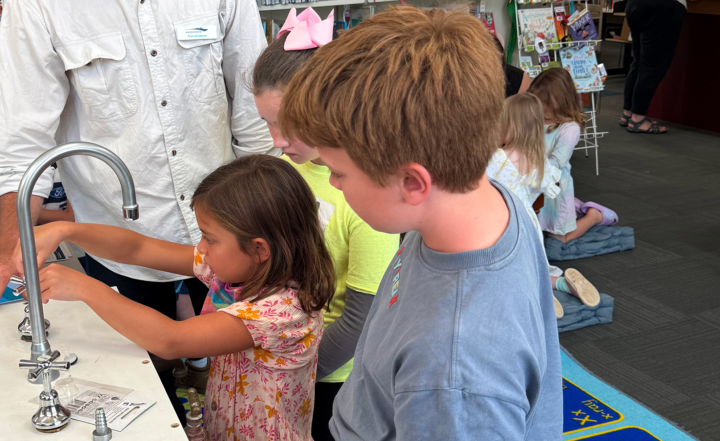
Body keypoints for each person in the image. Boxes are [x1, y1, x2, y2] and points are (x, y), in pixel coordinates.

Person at [279, 6, 563, 439]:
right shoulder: (478, 202)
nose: (333, 183)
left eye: (338, 172)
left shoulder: (452, 371)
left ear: (413, 182)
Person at [0, 0, 275, 420]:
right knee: (147, 382)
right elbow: (23, 147)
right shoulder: (38, 7)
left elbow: (254, 115)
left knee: (225, 367)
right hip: (123, 223)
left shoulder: (276, 296)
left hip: (233, 231)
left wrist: (85, 288)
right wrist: (47, 236)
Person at [14, 155, 335, 441]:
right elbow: (138, 249)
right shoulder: (242, 271)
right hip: (224, 424)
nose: (202, 248)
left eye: (209, 238)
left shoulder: (283, 311)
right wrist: (68, 232)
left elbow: (171, 340)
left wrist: (85, 288)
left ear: (259, 248)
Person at [250, 11, 400, 439]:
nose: (277, 140)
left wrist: (305, 372)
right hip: (283, 353)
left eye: (289, 125)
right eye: (267, 122)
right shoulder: (287, 166)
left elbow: (362, 315)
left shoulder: (366, 193)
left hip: (332, 374)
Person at [486, 93, 599, 316]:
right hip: (529, 226)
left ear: (510, 126)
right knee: (533, 266)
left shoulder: (495, 158)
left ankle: (536, 297)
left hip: (502, 225)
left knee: (504, 269)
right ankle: (561, 285)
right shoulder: (539, 162)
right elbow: (546, 190)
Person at [529, 69, 619, 245]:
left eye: (546, 105)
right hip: (531, 183)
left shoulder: (569, 128)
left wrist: (530, 172)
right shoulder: (534, 118)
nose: (541, 110)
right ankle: (575, 205)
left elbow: (557, 162)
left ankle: (594, 216)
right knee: (534, 230)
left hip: (554, 187)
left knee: (558, 238)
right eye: (537, 103)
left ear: (562, 102)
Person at [621, 0, 692, 134]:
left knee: (639, 61)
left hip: (635, 4)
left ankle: (628, 113)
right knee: (652, 67)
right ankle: (638, 118)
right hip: (662, 7)